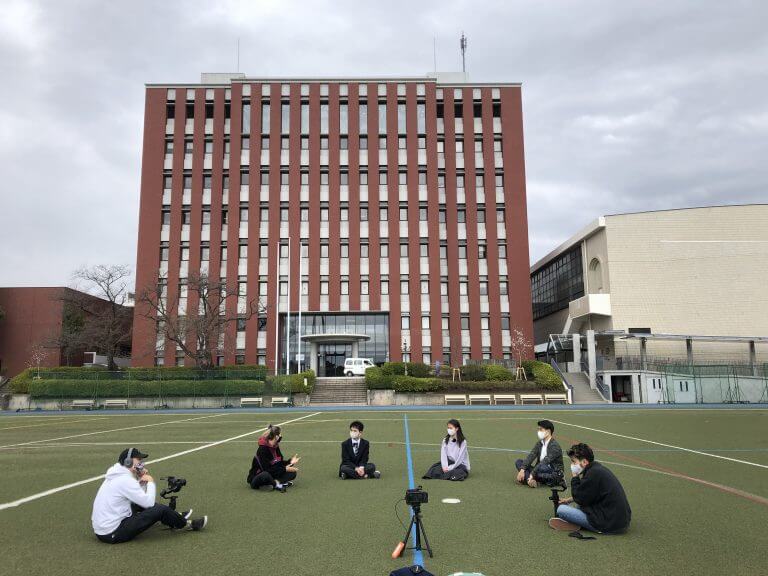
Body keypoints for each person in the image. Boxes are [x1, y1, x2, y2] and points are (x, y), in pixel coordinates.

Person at [91, 447, 207, 543]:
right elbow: (149, 503)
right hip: (112, 533)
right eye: (138, 460)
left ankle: (173, 516)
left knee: (144, 505)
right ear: (128, 461)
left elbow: (138, 497)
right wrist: (150, 481)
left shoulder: (117, 475)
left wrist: (142, 481)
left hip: (103, 530)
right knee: (159, 510)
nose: (141, 463)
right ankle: (185, 523)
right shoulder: (125, 480)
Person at [549, 443, 632, 533]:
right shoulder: (596, 470)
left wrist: (575, 477)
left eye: (574, 462)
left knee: (561, 510)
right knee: (578, 505)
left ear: (584, 462)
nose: (572, 465)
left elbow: (580, 498)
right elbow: (588, 494)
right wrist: (568, 500)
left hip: (608, 525)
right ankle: (575, 522)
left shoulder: (592, 474)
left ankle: (577, 523)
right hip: (620, 522)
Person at [247, 425, 300, 492]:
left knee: (293, 473)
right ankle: (277, 484)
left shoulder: (275, 447)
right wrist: (285, 469)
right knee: (265, 475)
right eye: (280, 434)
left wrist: (290, 462)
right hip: (258, 477)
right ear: (276, 436)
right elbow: (267, 470)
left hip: (272, 474)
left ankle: (272, 484)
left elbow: (279, 463)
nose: (281, 436)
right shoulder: (262, 450)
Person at [515, 419, 564, 487]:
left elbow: (544, 462)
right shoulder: (539, 443)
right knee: (519, 462)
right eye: (538, 429)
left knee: (542, 467)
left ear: (548, 431)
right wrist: (522, 470)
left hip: (553, 473)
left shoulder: (555, 446)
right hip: (539, 470)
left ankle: (529, 479)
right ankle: (531, 481)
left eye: (541, 429)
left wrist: (532, 474)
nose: (538, 431)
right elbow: (531, 456)